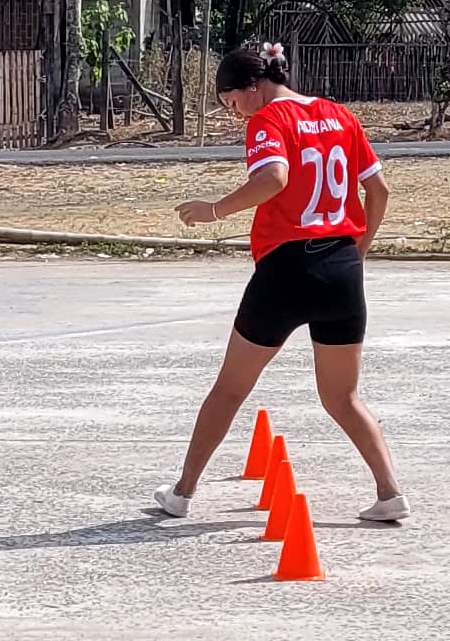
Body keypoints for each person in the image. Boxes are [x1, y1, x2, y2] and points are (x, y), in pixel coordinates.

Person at [155, 40, 406, 524]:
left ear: (254, 86)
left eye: (231, 101)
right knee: (343, 397)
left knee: (230, 388)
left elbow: (274, 178)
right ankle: (389, 491)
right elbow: (379, 189)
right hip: (342, 267)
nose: (234, 114)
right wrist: (359, 249)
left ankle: (182, 492)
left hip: (287, 269)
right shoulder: (339, 115)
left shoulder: (268, 119)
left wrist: (214, 210)